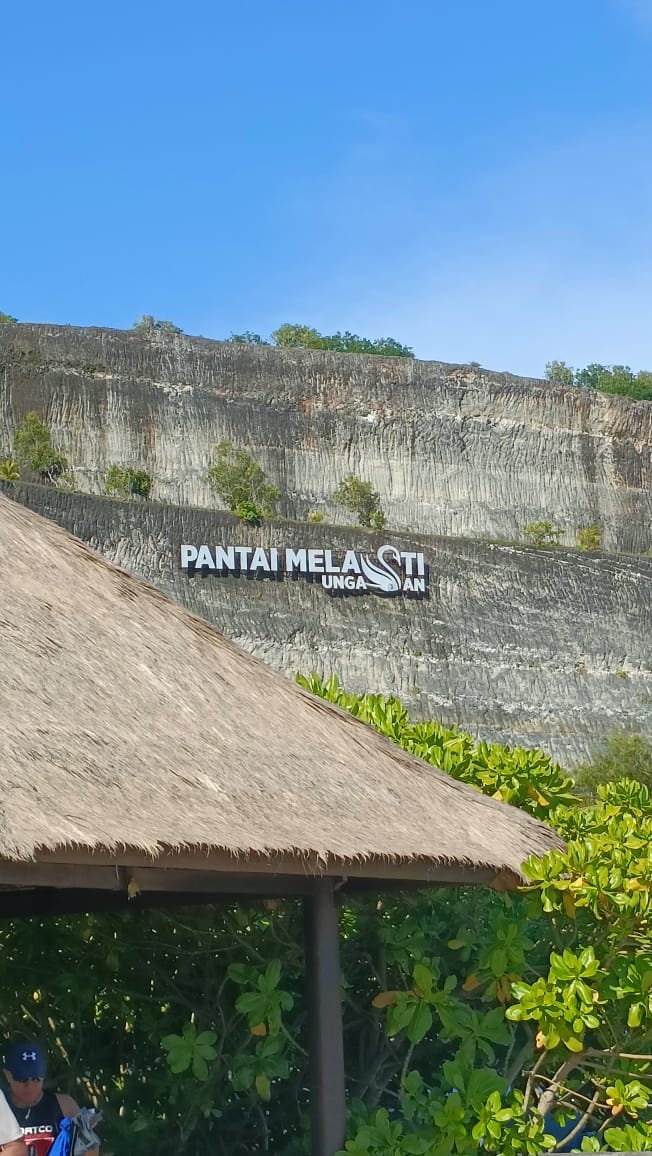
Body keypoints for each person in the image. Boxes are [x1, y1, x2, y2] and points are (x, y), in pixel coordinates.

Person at [3, 1044, 80, 1156]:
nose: (29, 1085)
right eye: (22, 1079)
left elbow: (90, 1150)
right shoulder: (2, 1107)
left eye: (35, 1079)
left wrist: (86, 1137)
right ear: (8, 1075)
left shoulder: (64, 1105)